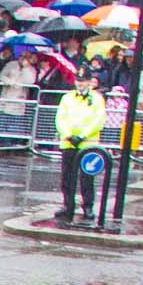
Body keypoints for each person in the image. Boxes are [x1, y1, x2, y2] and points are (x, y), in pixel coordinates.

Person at [53, 70, 106, 225]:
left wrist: (82, 135)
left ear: (89, 82)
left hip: (87, 143)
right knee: (67, 176)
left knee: (87, 177)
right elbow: (60, 118)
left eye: (83, 80)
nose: (80, 83)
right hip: (69, 142)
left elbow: (98, 120)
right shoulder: (67, 98)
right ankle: (67, 204)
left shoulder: (97, 99)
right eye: (78, 80)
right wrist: (68, 134)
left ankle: (87, 207)